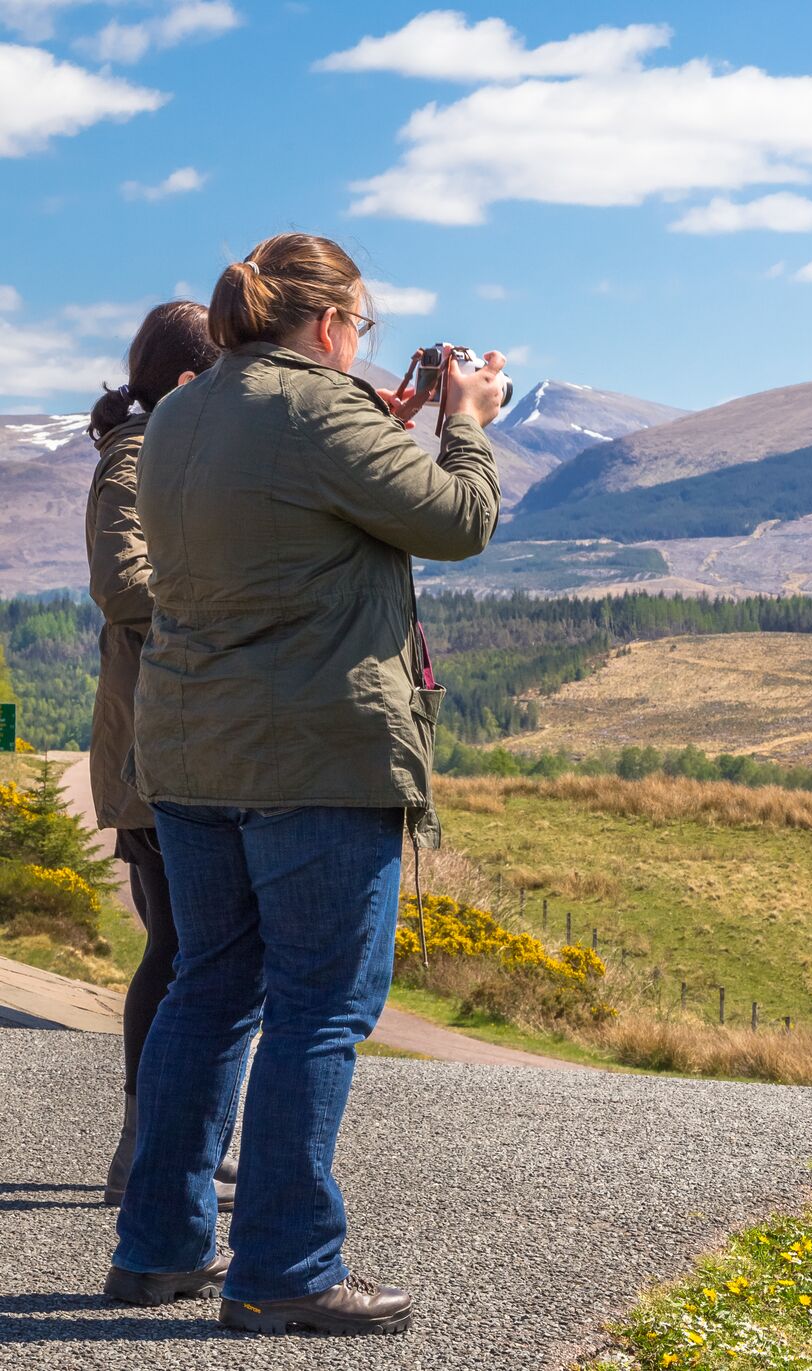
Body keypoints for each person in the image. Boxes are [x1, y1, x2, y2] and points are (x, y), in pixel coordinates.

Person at [103, 232, 506, 1336]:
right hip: (314, 756)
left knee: (208, 989)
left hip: (190, 750)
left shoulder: (181, 413)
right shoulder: (319, 411)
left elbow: (283, 498)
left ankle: (157, 1248)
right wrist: (467, 421)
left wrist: (380, 421)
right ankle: (285, 1266)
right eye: (359, 326)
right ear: (331, 324)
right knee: (320, 1010)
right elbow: (459, 521)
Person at [83, 301, 239, 1212]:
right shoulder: (135, 458)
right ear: (187, 382)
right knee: (177, 946)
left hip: (182, 734)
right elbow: (121, 584)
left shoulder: (169, 449)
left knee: (191, 947)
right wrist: (232, 594)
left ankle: (181, 1140)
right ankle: (146, 1147)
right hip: (152, 746)